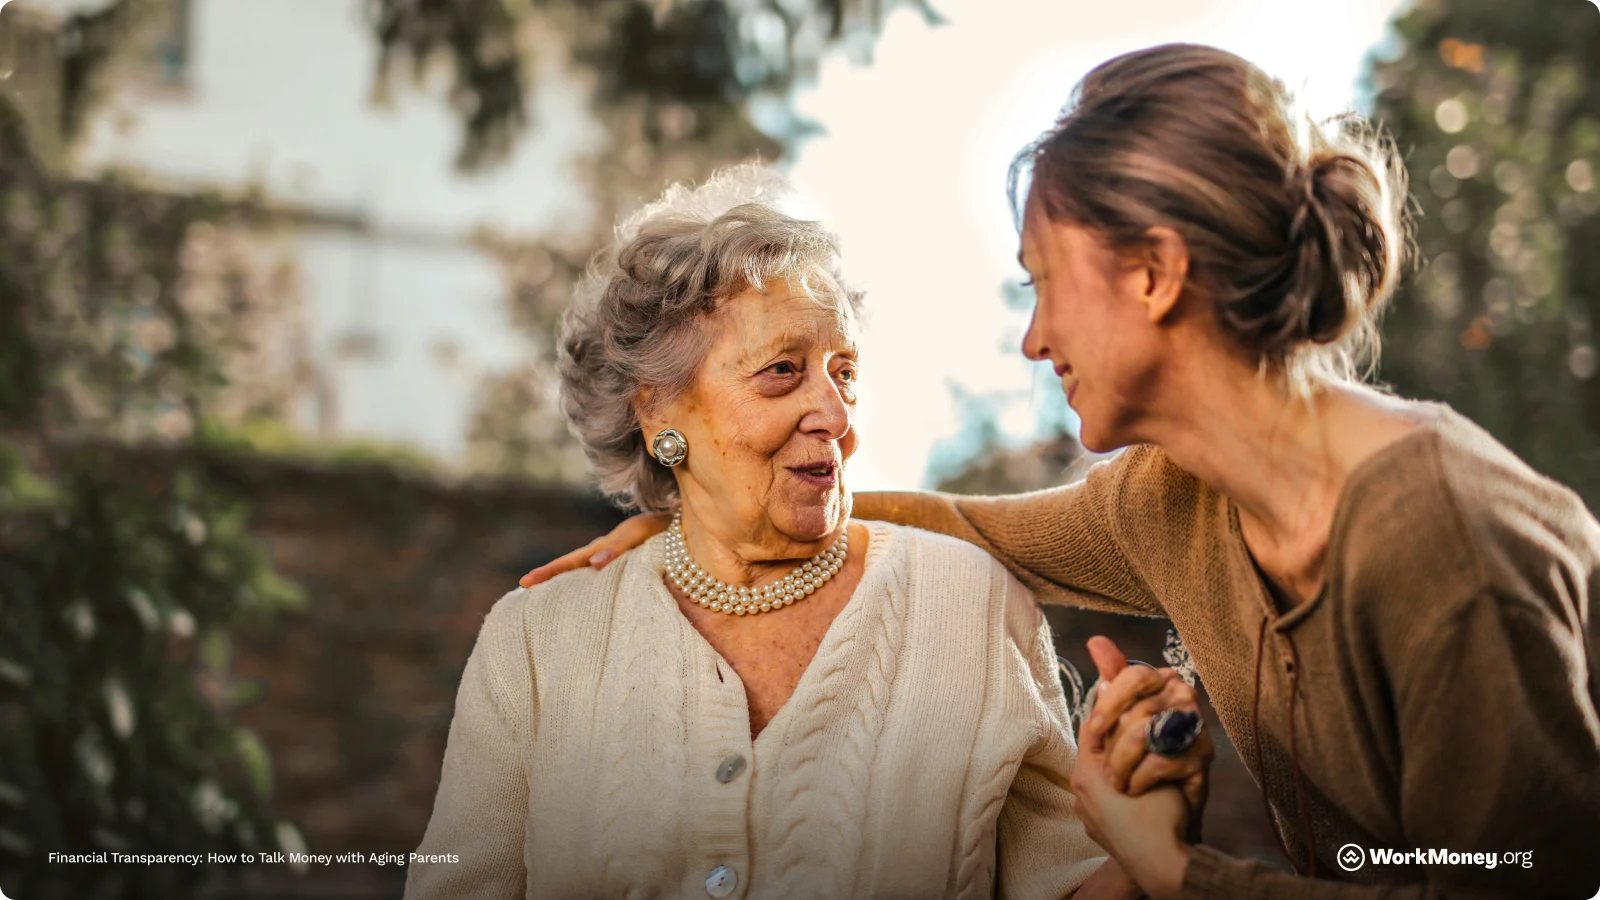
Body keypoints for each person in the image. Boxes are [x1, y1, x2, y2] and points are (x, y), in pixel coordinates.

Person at [520, 45, 1600, 899]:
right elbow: (967, 528)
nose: (1033, 339)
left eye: (1044, 283)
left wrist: (1177, 872)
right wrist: (710, 521)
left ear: (1155, 273)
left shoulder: (1443, 540)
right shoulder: (1172, 500)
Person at [406, 167, 1146, 900]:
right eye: (783, 371)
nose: (836, 414)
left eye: (845, 372)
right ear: (659, 411)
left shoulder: (975, 608)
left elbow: (1063, 885)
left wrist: (1148, 850)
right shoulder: (536, 642)